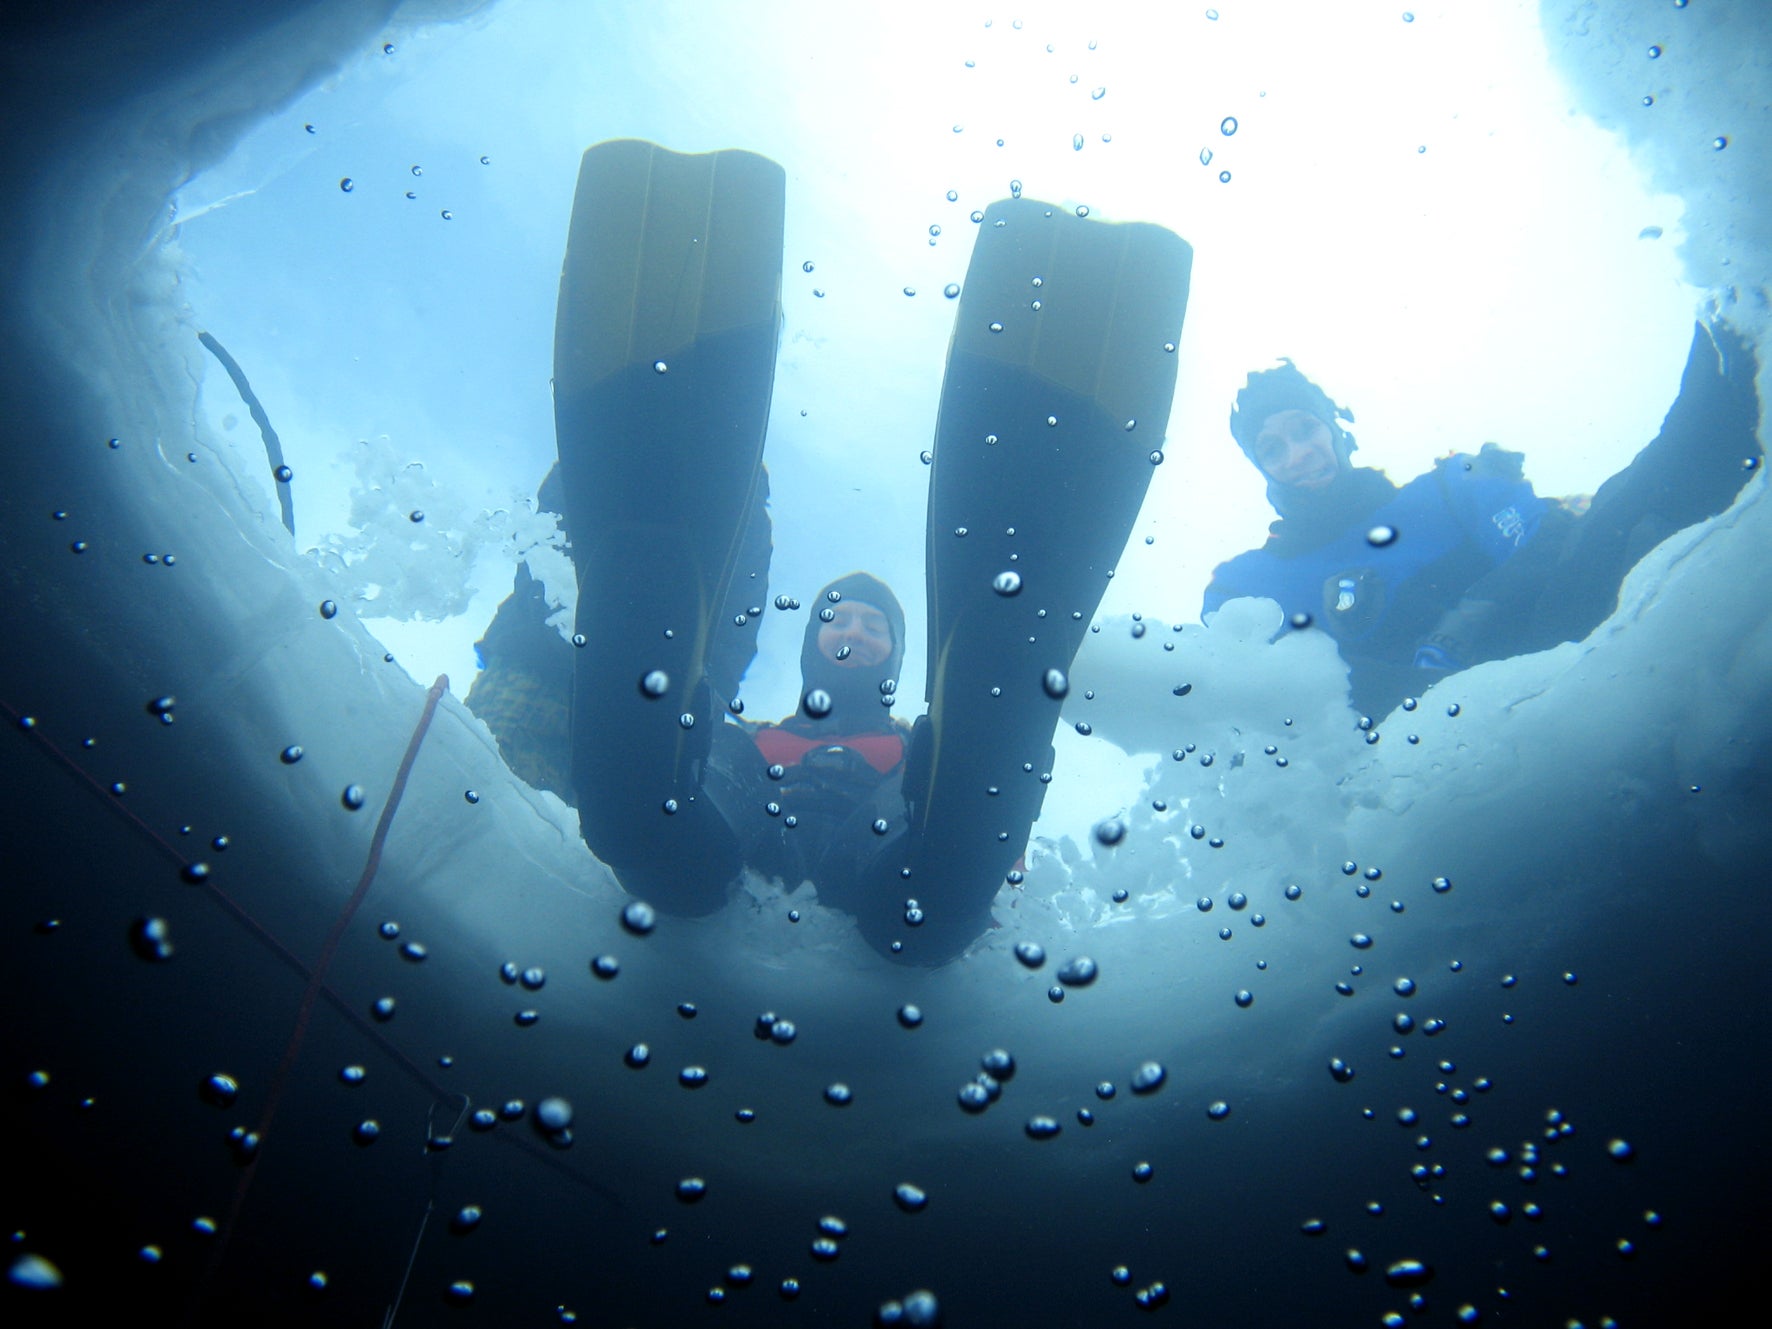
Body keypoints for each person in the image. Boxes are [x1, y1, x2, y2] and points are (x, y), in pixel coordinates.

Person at [476, 138, 1193, 962]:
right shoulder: (751, 741)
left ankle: (988, 723)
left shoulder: (905, 747)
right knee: (672, 807)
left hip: (901, 889)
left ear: (893, 657)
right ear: (813, 641)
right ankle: (642, 692)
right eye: (837, 617)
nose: (853, 629)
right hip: (712, 867)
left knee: (926, 877)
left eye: (874, 624)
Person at [1203, 320, 1762, 715]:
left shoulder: (1450, 488)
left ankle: (1734, 342)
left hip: (1556, 666)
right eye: (1272, 448)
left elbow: (1559, 540)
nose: (1297, 454)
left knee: (1634, 515)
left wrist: (1471, 618)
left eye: (1305, 429)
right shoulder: (1246, 584)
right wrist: (1428, 689)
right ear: (1260, 467)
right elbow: (1256, 696)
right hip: (1407, 766)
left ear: (1334, 428)